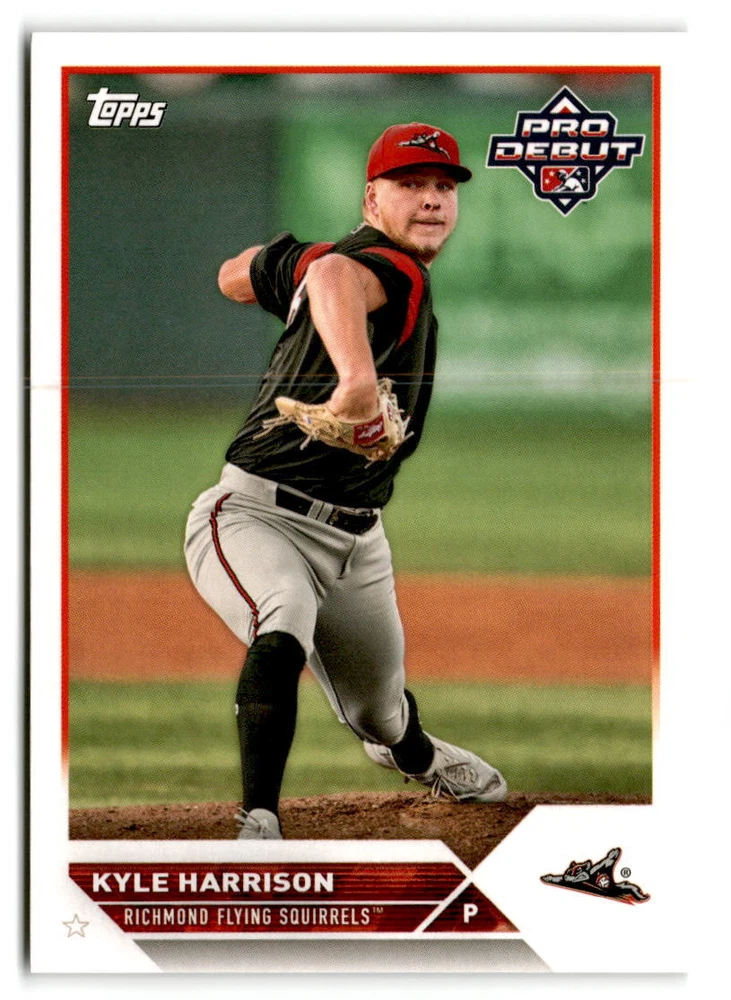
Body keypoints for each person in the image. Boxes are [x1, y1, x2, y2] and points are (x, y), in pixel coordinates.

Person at [184, 122, 508, 840]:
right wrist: (357, 381)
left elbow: (236, 275)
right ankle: (259, 820)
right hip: (256, 515)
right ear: (370, 200)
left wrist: (291, 266)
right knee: (283, 619)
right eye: (410, 185)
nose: (431, 200)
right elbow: (330, 275)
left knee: (379, 714)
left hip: (358, 538)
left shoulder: (353, 263)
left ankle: (420, 755)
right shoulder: (390, 267)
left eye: (443, 186)